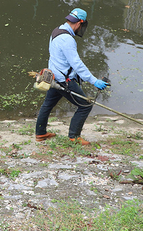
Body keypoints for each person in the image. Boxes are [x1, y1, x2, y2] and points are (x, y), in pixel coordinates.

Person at [35, 8, 108, 146]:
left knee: (47, 105)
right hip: (64, 81)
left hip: (53, 77)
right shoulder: (68, 40)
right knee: (85, 106)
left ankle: (40, 133)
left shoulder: (56, 31)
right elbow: (77, 64)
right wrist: (94, 81)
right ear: (80, 23)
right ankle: (74, 137)